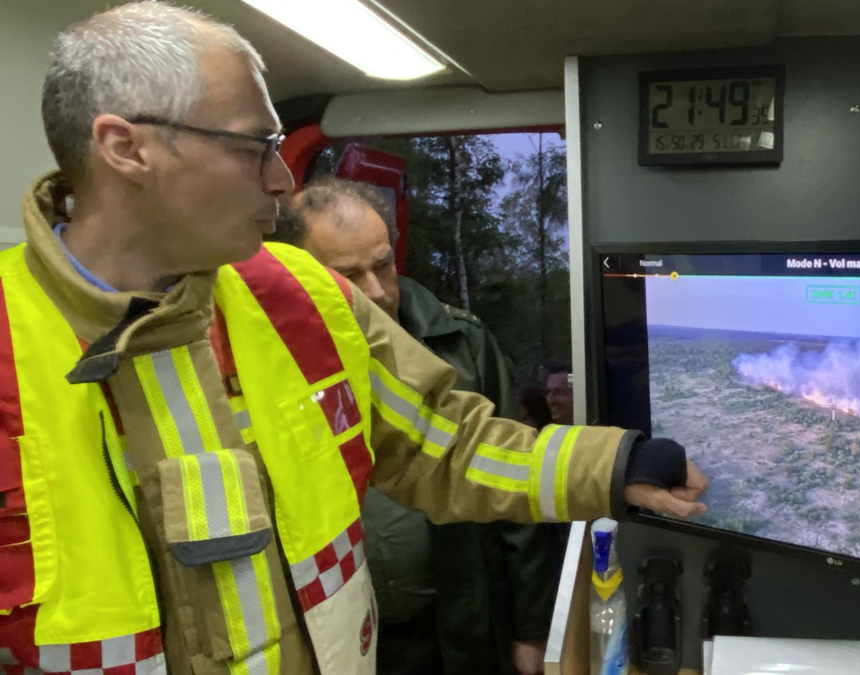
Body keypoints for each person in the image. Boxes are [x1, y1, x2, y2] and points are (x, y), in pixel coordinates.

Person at [0, 4, 707, 675]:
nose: (282, 181)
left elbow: (450, 446)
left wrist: (616, 464)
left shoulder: (300, 297)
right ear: (127, 148)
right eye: (256, 148)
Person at [271, 177, 559, 675]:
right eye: (348, 276)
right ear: (301, 274)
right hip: (345, 634)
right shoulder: (268, 363)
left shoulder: (460, 342)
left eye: (383, 265)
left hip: (461, 620)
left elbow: (517, 489)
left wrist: (531, 628)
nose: (377, 292)